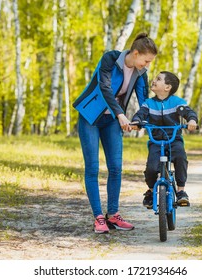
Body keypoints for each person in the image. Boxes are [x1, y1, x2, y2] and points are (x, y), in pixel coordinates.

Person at [73, 33, 158, 234]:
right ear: (135, 53)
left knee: (116, 168)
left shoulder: (140, 72)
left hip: (111, 120)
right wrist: (121, 114)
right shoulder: (110, 58)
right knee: (93, 168)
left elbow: (143, 100)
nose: (147, 65)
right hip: (90, 117)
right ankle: (98, 217)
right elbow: (104, 88)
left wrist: (140, 121)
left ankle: (113, 215)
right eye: (146, 60)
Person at [130, 71, 198, 208]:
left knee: (180, 157)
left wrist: (191, 120)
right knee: (151, 168)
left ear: (167, 87)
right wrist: (136, 122)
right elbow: (140, 114)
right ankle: (150, 191)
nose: (154, 80)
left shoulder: (177, 102)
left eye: (159, 79)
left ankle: (181, 191)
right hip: (156, 141)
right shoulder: (148, 103)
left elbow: (187, 112)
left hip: (174, 139)